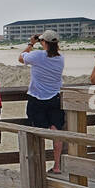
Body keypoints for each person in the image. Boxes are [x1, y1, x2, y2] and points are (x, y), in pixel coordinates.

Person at [18, 30, 65, 173]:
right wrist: (41, 41)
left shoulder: (37, 55)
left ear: (43, 42)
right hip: (55, 97)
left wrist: (31, 43)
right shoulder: (60, 58)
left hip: (37, 98)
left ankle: (38, 167)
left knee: (37, 132)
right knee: (56, 130)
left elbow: (21, 58)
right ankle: (57, 166)